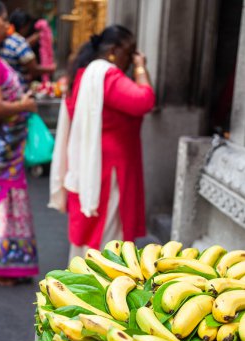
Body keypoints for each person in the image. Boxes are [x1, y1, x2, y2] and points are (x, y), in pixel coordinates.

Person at [49, 25, 155, 261]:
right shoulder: (107, 76)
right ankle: (103, 290)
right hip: (108, 169)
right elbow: (144, 100)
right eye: (129, 53)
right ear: (115, 51)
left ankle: (82, 286)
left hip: (89, 165)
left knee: (90, 234)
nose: (129, 60)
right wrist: (140, 67)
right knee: (107, 237)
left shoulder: (84, 74)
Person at [0, 0, 39, 285]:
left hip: (7, 150)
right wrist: (23, 105)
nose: (5, 26)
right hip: (1, 152)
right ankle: (1, 265)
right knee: (1, 202)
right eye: (2, 20)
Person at [0, 8, 56, 90]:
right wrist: (52, 68)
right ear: (24, 26)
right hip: (18, 88)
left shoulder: (5, 40)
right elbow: (34, 69)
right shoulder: (19, 42)